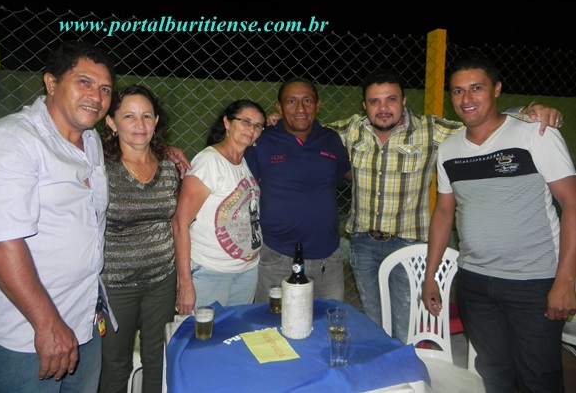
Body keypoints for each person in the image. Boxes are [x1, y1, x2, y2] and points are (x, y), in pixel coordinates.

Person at [325, 68, 564, 344]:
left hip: (408, 244)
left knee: (405, 327)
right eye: (374, 101)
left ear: (404, 101)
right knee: (372, 321)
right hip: (362, 242)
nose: (383, 108)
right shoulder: (352, 129)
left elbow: (482, 121)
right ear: (364, 105)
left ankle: (406, 367)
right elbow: (310, 129)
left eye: (391, 99)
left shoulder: (430, 130)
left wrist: (527, 110)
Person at [422, 53, 576, 392]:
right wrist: (430, 275)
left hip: (533, 282)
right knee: (493, 375)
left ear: (497, 89)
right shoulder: (449, 150)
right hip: (475, 283)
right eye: (458, 91)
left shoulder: (535, 133)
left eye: (476, 88)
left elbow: (572, 203)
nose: (466, 98)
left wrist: (565, 280)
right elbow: (444, 213)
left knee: (539, 378)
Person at [0, 40, 117, 392]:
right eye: (84, 82)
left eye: (105, 88)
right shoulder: (13, 140)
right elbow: (0, 243)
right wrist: (47, 324)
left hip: (83, 320)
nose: (96, 96)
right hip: (28, 334)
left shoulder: (90, 140)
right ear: (51, 82)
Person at [98, 85, 181, 393]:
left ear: (156, 121)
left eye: (147, 116)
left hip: (162, 280)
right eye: (129, 116)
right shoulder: (100, 170)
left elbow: (173, 222)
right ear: (111, 122)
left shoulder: (170, 167)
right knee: (115, 364)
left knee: (158, 357)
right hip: (116, 285)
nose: (140, 124)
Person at [246, 77, 352, 304]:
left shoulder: (330, 139)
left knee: (327, 320)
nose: (300, 109)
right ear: (279, 107)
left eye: (307, 101)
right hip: (276, 255)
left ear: (318, 105)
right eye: (291, 101)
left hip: (327, 258)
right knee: (272, 323)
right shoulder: (262, 141)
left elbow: (348, 174)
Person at [172, 99, 267, 313]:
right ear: (227, 122)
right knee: (203, 333)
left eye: (258, 125)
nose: (251, 129)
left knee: (234, 332)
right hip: (210, 271)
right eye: (245, 121)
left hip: (246, 270)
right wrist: (185, 282)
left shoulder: (242, 162)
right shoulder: (209, 162)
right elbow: (179, 224)